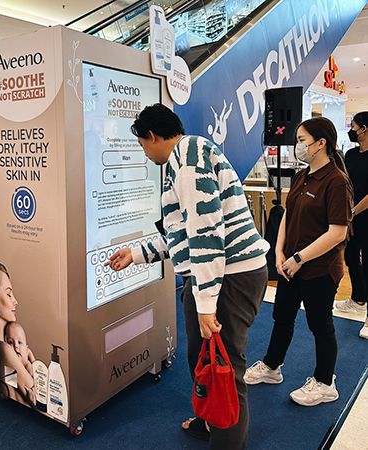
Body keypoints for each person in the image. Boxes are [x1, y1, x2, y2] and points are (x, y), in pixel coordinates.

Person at [107, 104, 269, 450]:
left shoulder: (189, 157)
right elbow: (181, 233)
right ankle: (210, 420)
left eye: (141, 144)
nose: (144, 152)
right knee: (203, 358)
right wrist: (136, 255)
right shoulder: (183, 159)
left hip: (230, 277)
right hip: (215, 277)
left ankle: (226, 440)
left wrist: (206, 303)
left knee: (225, 366)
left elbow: (206, 233)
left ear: (151, 136)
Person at [244, 117, 353, 406]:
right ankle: (272, 366)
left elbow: (337, 232)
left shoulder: (336, 181)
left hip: (319, 269)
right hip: (290, 266)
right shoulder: (301, 175)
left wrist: (299, 258)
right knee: (282, 318)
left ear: (321, 144)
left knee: (320, 325)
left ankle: (325, 382)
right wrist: (279, 253)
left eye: (303, 140)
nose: (298, 146)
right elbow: (287, 217)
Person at [334, 111, 368, 339]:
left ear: (364, 129)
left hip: (362, 214)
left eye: (354, 126)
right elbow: (346, 184)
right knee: (350, 257)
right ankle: (359, 299)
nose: (352, 130)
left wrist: (354, 211)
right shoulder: (351, 154)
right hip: (352, 216)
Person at [0, 261, 35, 406]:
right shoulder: (4, 349)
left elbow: (12, 382)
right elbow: (33, 387)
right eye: (9, 294)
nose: (15, 301)